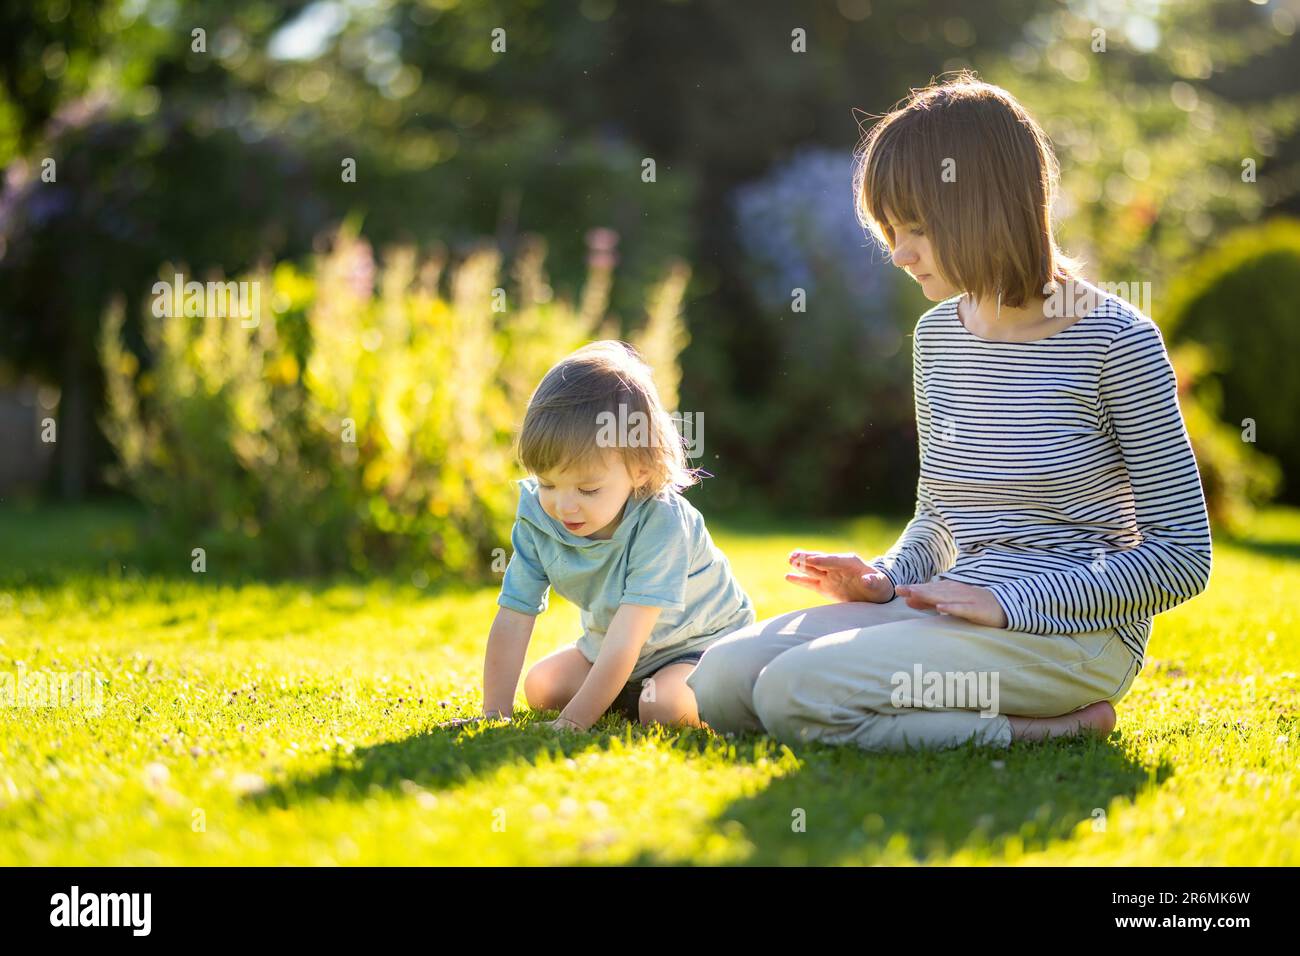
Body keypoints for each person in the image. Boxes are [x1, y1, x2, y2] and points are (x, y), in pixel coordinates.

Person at [686, 72, 1213, 752]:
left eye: (917, 229)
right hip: (953, 607)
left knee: (795, 695)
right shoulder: (939, 337)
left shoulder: (1118, 343)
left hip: (1070, 636)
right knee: (722, 681)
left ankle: (1046, 726)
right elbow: (938, 518)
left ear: (990, 206)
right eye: (888, 230)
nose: (898, 254)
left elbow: (1182, 556)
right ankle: (935, 709)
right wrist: (884, 581)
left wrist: (1010, 603)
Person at [478, 340, 755, 731]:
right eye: (548, 484)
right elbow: (514, 612)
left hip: (697, 651)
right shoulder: (538, 515)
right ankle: (627, 698)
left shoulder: (662, 523)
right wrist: (494, 714)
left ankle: (723, 698)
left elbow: (627, 639)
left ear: (641, 469)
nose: (564, 506)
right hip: (618, 656)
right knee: (543, 687)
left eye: (587, 490)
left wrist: (573, 722)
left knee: (666, 706)